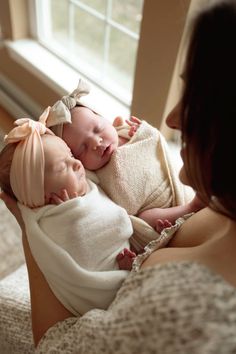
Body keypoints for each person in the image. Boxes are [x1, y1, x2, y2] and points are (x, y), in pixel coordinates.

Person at [2, 0, 236, 352]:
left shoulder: (184, 309)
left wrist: (29, 233)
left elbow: (52, 345)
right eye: (76, 151)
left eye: (196, 101)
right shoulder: (223, 207)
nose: (171, 119)